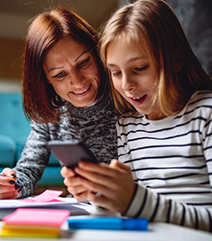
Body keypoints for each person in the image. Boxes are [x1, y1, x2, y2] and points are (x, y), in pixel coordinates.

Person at [61, 0, 212, 232]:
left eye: (139, 68)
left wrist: (136, 200)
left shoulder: (205, 115)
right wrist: (99, 192)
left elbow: (142, 204)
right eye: (115, 72)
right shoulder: (129, 126)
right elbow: (132, 207)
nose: (127, 84)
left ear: (177, 59)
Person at [0, 8, 117, 199]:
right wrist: (10, 184)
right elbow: (27, 171)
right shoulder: (51, 112)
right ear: (45, 78)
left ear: (96, 54)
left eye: (83, 63)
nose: (78, 81)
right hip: (84, 209)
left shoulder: (126, 94)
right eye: (60, 74)